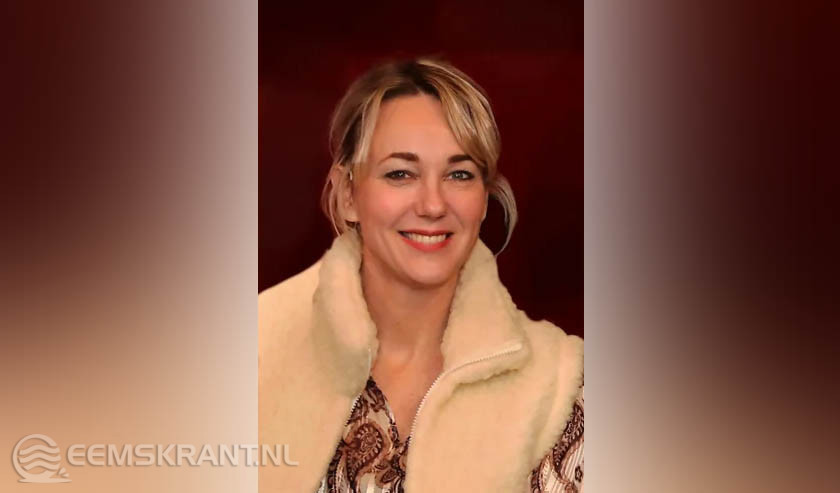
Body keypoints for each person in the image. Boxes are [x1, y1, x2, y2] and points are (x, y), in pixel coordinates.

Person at [259, 58, 583, 492]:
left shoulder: (562, 384)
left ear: (483, 199)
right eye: (400, 173)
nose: (433, 205)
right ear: (348, 193)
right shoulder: (248, 353)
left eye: (459, 174)